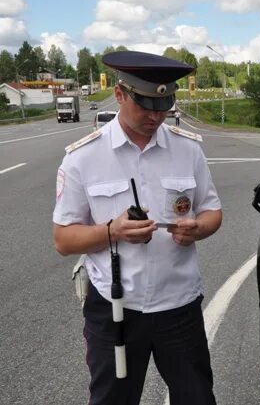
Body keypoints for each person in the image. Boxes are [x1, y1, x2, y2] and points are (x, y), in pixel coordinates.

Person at [52, 50, 223, 405]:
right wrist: (111, 231)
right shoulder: (84, 157)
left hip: (179, 306)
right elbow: (64, 240)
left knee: (197, 398)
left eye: (163, 105)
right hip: (117, 309)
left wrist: (197, 228)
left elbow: (212, 212)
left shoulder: (187, 150)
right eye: (145, 104)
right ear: (119, 94)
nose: (154, 115)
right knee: (113, 399)